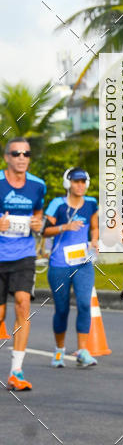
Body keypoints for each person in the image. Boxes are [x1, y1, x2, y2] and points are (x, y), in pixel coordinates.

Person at [0, 137, 45, 391]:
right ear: (7, 157)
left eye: (26, 154)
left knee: (22, 304)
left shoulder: (38, 185)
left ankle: (16, 370)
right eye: (16, 153)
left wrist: (38, 224)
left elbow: (38, 213)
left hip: (24, 254)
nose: (21, 157)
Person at [43, 168, 99, 368]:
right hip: (59, 264)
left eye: (83, 181)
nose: (80, 185)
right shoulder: (57, 204)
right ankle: (59, 350)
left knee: (85, 304)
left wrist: (95, 240)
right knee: (62, 309)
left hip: (83, 263)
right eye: (76, 181)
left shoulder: (91, 203)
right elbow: (44, 231)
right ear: (68, 183)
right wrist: (64, 227)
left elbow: (94, 226)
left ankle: (82, 351)